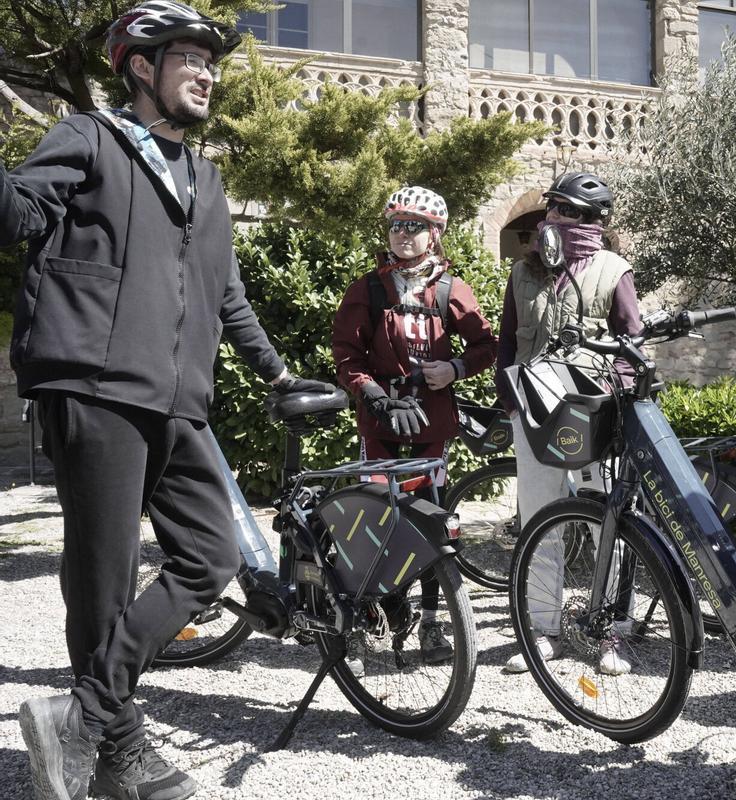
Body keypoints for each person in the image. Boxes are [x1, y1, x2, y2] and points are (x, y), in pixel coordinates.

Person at [1, 3, 334, 799]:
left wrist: (280, 377)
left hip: (179, 400)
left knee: (212, 555)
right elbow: (20, 216)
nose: (207, 72)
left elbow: (229, 297)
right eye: (189, 57)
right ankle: (118, 753)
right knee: (103, 581)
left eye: (211, 61)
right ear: (141, 67)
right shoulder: (90, 137)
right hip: (96, 386)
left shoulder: (205, 178)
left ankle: (83, 713)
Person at [331, 185, 497, 669]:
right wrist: (373, 393)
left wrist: (457, 370)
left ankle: (430, 620)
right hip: (381, 425)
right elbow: (347, 354)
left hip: (431, 427)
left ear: (435, 234)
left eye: (416, 226)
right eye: (397, 225)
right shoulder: (369, 288)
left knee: (430, 522)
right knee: (372, 519)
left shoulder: (450, 289)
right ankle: (365, 618)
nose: (405, 234)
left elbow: (487, 345)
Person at [495, 171, 643, 676]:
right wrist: (510, 399)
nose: (551, 219)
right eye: (550, 209)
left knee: (608, 526)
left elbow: (631, 346)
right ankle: (543, 629)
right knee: (539, 521)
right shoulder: (522, 272)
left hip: (591, 416)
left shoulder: (614, 270)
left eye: (563, 211)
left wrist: (611, 402)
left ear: (590, 220)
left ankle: (611, 634)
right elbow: (508, 342)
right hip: (534, 414)